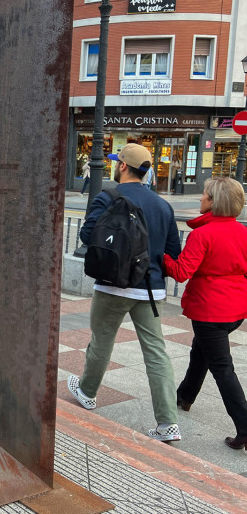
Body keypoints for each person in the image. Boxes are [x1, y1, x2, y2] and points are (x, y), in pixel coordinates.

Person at [67, 143, 183, 441]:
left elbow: (87, 235)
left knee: (102, 341)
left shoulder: (108, 196)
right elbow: (172, 252)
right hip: (150, 289)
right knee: (156, 353)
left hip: (111, 284)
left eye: (116, 162)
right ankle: (168, 422)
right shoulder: (163, 206)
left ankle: (87, 392)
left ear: (122, 166)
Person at [162, 177, 247, 450]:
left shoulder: (203, 234)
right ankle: (185, 396)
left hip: (211, 311)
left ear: (214, 202)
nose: (200, 198)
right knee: (200, 352)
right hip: (236, 310)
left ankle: (244, 426)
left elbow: (180, 272)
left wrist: (162, 255)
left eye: (204, 195)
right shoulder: (243, 232)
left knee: (222, 368)